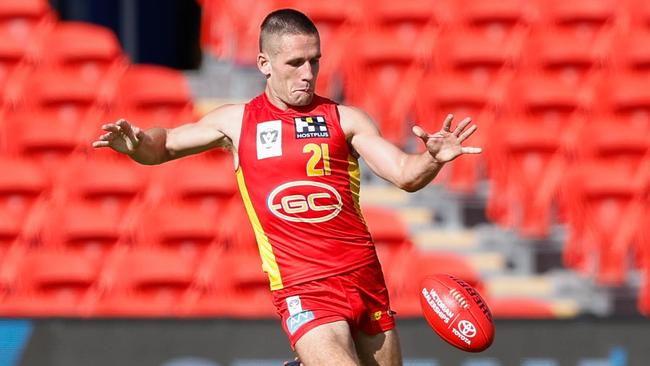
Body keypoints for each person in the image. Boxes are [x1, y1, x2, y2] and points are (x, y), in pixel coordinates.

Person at [92, 8, 481, 366]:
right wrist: (138, 145)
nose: (308, 73)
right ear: (264, 64)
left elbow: (404, 173)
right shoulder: (237, 122)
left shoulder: (346, 119)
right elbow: (166, 145)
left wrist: (431, 159)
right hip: (304, 288)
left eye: (315, 60)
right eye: (295, 63)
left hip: (365, 280)